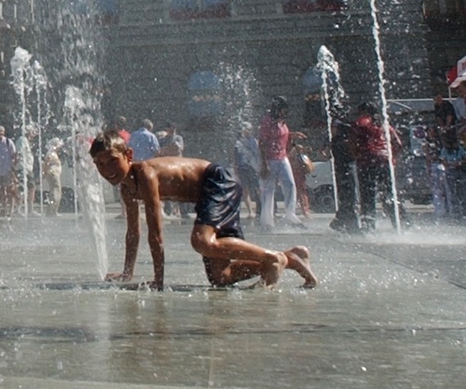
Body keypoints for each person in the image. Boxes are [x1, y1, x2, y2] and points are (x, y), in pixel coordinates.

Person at [89, 130, 316, 289]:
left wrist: (159, 280)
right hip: (208, 197)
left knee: (201, 241)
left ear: (128, 155)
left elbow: (156, 232)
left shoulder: (145, 174)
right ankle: (291, 257)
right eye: (99, 164)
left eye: (111, 160)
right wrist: (127, 273)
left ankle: (271, 257)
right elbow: (133, 233)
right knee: (220, 277)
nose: (107, 169)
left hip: (217, 181)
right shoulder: (127, 190)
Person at [349, 102, 405, 230]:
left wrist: (357, 155)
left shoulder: (359, 123)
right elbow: (398, 144)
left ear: (363, 112)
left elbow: (352, 143)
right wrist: (391, 157)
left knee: (367, 196)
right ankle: (401, 224)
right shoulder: (385, 124)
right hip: (385, 161)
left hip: (366, 161)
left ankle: (368, 227)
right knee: (390, 195)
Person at [258, 96, 303, 229]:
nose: (285, 112)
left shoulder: (281, 122)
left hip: (283, 158)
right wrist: (264, 164)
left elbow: (282, 135)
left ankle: (290, 215)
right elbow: (261, 143)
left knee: (290, 184)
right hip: (270, 159)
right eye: (283, 109)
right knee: (269, 190)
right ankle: (267, 221)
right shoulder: (267, 121)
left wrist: (293, 135)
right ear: (277, 108)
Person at [232, 124, 261, 222]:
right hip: (242, 167)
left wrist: (260, 166)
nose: (248, 131)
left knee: (258, 188)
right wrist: (235, 166)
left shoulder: (255, 141)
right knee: (245, 189)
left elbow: (259, 154)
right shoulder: (238, 142)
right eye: (246, 129)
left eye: (249, 129)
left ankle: (261, 208)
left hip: (253, 167)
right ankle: (250, 211)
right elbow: (235, 155)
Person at [0, 125, 17, 216]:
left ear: (4, 132)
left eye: (1, 132)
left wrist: (13, 167)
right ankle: (4, 209)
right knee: (1, 190)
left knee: (10, 190)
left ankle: (11, 210)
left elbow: (14, 155)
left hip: (8, 169)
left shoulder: (8, 142)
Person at [42, 139, 63, 214]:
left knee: (54, 191)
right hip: (53, 174)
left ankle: (50, 211)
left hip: (53, 173)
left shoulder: (52, 153)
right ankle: (52, 211)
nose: (59, 148)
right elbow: (46, 162)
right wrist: (44, 172)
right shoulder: (51, 153)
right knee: (56, 191)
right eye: (58, 145)